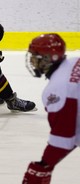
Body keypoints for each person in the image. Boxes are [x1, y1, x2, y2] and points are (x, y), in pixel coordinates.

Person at [22, 33, 80, 183]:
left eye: (36, 57)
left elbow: (64, 136)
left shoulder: (56, 90)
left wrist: (44, 165)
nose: (32, 61)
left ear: (49, 59)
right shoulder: (75, 61)